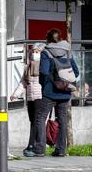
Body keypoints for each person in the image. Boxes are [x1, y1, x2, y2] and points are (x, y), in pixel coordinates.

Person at [29, 29, 79, 158]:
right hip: (65, 92)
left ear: (48, 39)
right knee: (62, 120)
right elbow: (76, 72)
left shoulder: (46, 52)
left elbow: (44, 72)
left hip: (49, 92)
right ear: (61, 38)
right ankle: (61, 149)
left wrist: (46, 83)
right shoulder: (68, 52)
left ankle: (40, 149)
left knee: (40, 118)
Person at [11, 43, 45, 156]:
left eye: (37, 52)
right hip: (30, 97)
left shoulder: (43, 66)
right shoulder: (28, 66)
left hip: (40, 97)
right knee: (32, 121)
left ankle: (33, 145)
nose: (34, 54)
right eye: (33, 52)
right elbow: (23, 82)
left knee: (37, 121)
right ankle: (32, 145)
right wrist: (15, 94)